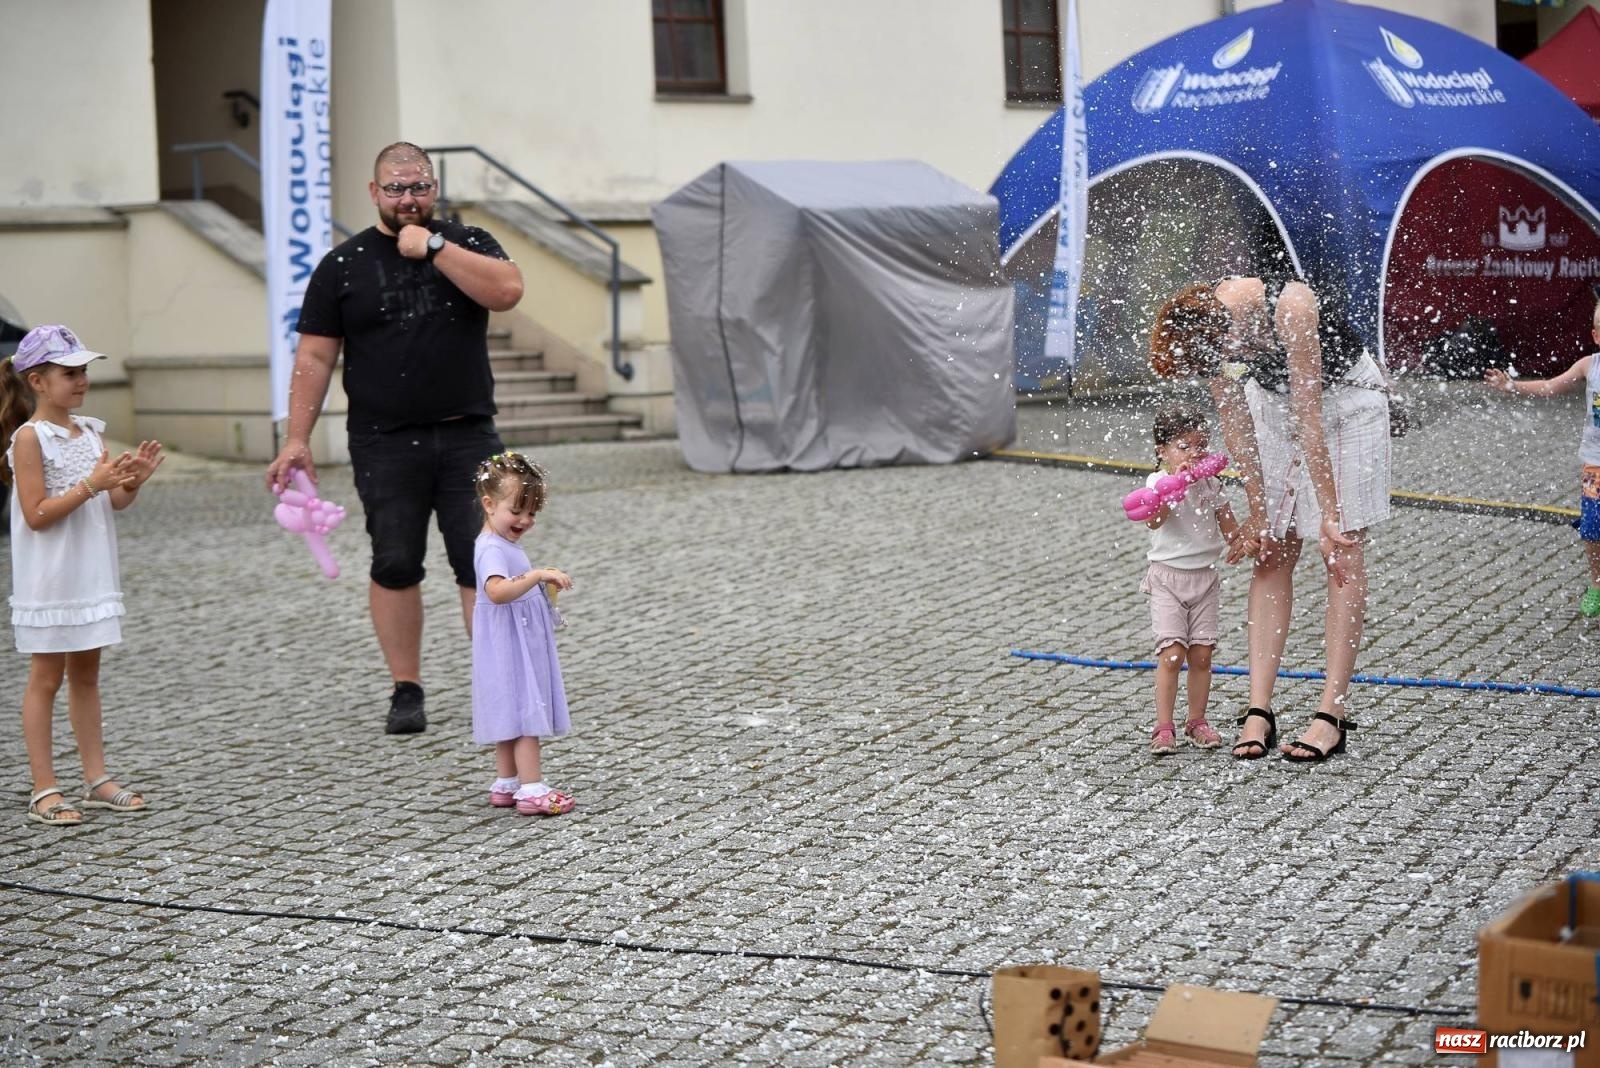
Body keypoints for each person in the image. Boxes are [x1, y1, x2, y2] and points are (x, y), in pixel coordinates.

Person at [265, 142, 525, 735]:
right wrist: (296, 438)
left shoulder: (469, 242)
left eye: (418, 187)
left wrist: (434, 249)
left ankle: (497, 682)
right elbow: (314, 355)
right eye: (395, 189)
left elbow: (507, 292)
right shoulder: (344, 265)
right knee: (395, 561)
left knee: (480, 560)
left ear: (434, 189)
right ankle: (406, 688)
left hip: (468, 435)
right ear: (373, 192)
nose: (408, 199)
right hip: (384, 440)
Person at [1150, 274, 1391, 762]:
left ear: (1224, 331)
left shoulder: (1291, 306)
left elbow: (1311, 418)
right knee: (1273, 550)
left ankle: (1331, 714)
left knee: (1341, 551)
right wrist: (1259, 512)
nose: (1224, 361)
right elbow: (1237, 424)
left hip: (1347, 402)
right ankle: (1259, 709)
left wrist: (1329, 514)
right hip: (1276, 403)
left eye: (1221, 355)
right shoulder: (1215, 335)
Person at [2, 325, 164, 825]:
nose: (81, 381)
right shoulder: (29, 439)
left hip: (89, 573)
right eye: (69, 372)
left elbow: (112, 501)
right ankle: (44, 787)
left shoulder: (90, 431)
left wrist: (131, 483)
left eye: (84, 371)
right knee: (46, 678)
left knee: (87, 676)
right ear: (37, 380)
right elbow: (36, 514)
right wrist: (91, 484)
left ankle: (96, 778)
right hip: (50, 579)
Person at [471, 452, 574, 816]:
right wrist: (536, 576)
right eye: (517, 511)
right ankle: (532, 789)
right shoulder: (491, 549)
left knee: (510, 711)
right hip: (508, 644)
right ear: (489, 504)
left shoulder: (501, 543)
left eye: (532, 513)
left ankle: (507, 782)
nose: (525, 521)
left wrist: (538, 573)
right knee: (525, 711)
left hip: (512, 641)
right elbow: (496, 591)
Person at [1485, 300, 1600, 617]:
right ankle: (1597, 583)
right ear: (1596, 336)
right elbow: (1551, 387)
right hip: (1596, 465)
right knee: (1592, 529)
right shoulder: (1588, 366)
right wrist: (1512, 386)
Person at [1139, 405, 1239, 755]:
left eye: (1201, 445)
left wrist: (1245, 542)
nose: (1194, 454)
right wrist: (1172, 490)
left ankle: (1197, 720)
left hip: (1204, 578)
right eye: (1185, 446)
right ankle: (1163, 726)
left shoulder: (1211, 484)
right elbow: (1153, 521)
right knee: (1171, 654)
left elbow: (1229, 524)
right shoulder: (1157, 483)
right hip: (1167, 577)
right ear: (1162, 451)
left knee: (1201, 655)